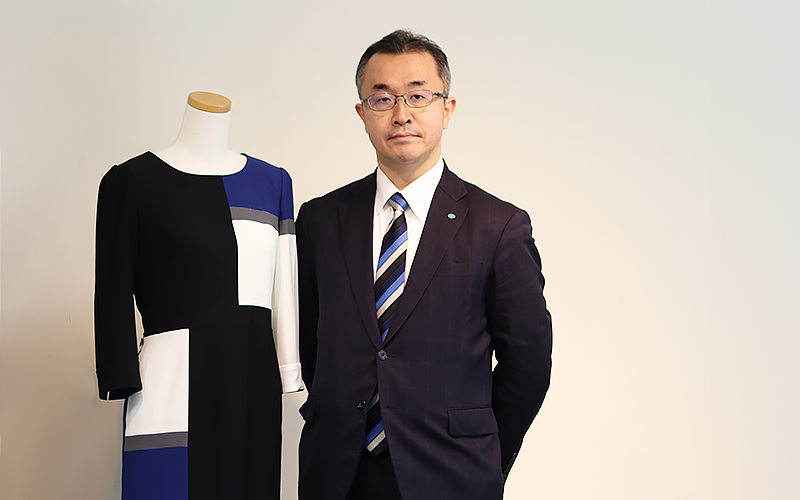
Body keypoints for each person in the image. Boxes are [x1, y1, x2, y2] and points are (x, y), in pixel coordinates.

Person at [295, 30, 552, 500]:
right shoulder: (320, 219)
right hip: (337, 472)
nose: (401, 113)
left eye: (418, 95)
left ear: (446, 109)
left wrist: (484, 454)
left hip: (453, 473)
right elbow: (311, 345)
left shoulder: (498, 225)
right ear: (362, 114)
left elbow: (528, 365)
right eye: (382, 98)